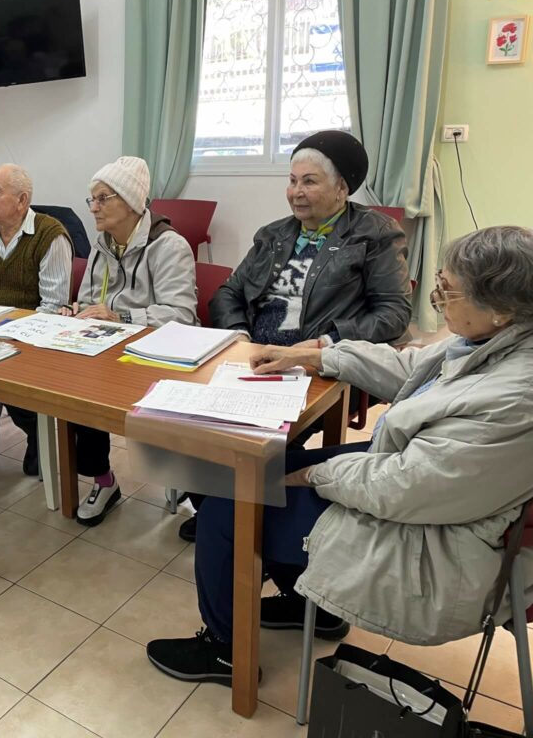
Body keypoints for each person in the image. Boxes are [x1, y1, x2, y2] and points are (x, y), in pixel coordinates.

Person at [147, 225, 533, 686]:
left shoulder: (518, 394)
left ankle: (225, 653)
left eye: (448, 290)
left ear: (503, 308)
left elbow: (405, 487)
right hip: (414, 484)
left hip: (429, 537)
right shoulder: (496, 340)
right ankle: (311, 605)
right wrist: (312, 357)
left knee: (227, 508)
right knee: (251, 473)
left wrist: (317, 475)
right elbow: (413, 367)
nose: (436, 296)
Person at [179, 129, 412, 542]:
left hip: (314, 365)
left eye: (309, 181)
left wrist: (325, 343)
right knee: (189, 421)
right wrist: (238, 335)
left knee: (252, 439)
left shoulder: (374, 235)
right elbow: (230, 291)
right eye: (291, 180)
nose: (295, 192)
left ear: (342, 189)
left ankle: (240, 515)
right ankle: (220, 505)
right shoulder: (275, 234)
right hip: (252, 353)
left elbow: (394, 313)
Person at [59, 156, 198, 525]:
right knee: (73, 391)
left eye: (103, 198)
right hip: (109, 348)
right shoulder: (103, 245)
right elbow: (90, 299)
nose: (93, 208)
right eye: (92, 199)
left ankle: (190, 477)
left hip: (158, 353)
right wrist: (78, 311)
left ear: (132, 202)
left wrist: (119, 316)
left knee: (104, 390)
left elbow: (182, 316)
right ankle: (103, 481)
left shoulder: (170, 246)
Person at [0, 163, 73, 475]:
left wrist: (7, 335)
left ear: (22, 200)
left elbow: (53, 307)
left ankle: (35, 434)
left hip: (34, 337)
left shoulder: (50, 236)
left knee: (11, 378)